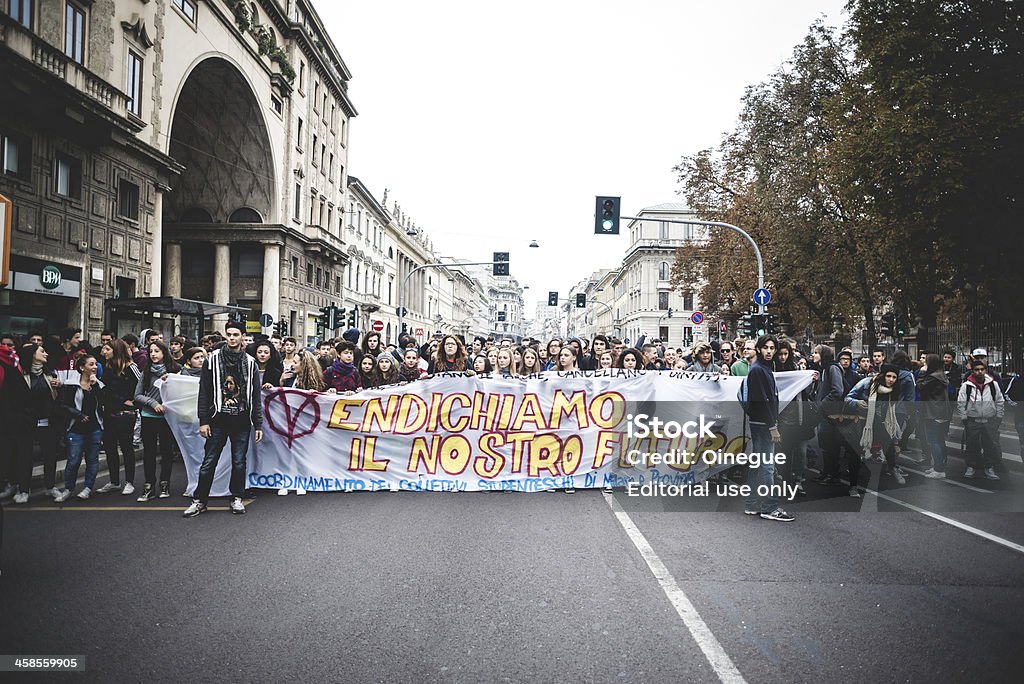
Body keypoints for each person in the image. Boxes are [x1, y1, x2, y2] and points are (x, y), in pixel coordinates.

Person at [185, 321, 264, 517]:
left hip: (242, 420)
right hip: (217, 420)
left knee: (239, 462)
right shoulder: (211, 361)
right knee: (209, 461)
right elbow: (204, 391)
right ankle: (200, 500)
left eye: (236, 334)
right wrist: (203, 420)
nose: (232, 338)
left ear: (242, 337)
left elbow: (255, 395)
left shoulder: (251, 363)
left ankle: (236, 498)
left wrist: (258, 422)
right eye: (229, 334)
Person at [741, 335, 793, 521]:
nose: (769, 351)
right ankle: (769, 507)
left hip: (761, 423)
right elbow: (761, 401)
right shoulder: (758, 370)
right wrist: (772, 426)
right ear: (758, 349)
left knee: (757, 465)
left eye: (772, 348)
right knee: (767, 467)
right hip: (763, 424)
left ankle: (752, 504)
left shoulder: (763, 368)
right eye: (766, 348)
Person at [53, 355, 108, 502]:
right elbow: (62, 405)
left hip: (95, 427)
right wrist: (78, 415)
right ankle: (68, 489)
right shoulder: (71, 384)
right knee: (73, 460)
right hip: (76, 428)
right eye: (91, 364)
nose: (95, 367)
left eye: (96, 364)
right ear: (82, 367)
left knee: (92, 459)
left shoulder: (99, 384)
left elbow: (104, 402)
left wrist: (95, 385)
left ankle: (88, 487)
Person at [846, 364, 908, 484]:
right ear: (883, 375)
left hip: (877, 421)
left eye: (894, 377)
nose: (891, 380)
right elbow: (848, 398)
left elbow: (891, 411)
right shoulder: (867, 383)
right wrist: (857, 402)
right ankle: (853, 484)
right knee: (856, 451)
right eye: (888, 376)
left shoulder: (894, 390)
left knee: (888, 445)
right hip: (860, 421)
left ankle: (893, 468)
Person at [134, 340, 180, 501]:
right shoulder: (145, 372)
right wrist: (153, 403)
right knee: (149, 452)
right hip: (149, 416)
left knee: (167, 452)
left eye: (157, 351)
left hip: (167, 418)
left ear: (164, 353)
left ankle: (164, 483)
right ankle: (149, 485)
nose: (153, 354)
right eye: (151, 351)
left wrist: (172, 381)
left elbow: (183, 391)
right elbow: (137, 395)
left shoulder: (175, 370)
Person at [97, 339, 141, 496]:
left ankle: (129, 482)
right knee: (109, 447)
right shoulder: (107, 368)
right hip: (109, 412)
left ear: (116, 350)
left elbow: (140, 387)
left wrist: (131, 401)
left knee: (126, 447)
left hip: (125, 414)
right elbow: (105, 389)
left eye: (107, 349)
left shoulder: (131, 368)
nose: (104, 351)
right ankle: (114, 481)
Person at [956, 358, 1004, 480]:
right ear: (972, 371)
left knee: (989, 445)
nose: (980, 372)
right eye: (977, 370)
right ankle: (971, 466)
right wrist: (964, 418)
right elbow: (961, 403)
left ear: (985, 371)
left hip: (989, 420)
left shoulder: (993, 385)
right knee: (972, 445)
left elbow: (999, 401)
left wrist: (999, 417)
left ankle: (989, 467)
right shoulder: (967, 386)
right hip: (973, 420)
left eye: (982, 369)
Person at [917, 353, 952, 479]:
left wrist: (921, 373)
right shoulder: (941, 375)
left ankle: (939, 469)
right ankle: (939, 466)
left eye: (926, 362)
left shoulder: (932, 377)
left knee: (933, 441)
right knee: (940, 440)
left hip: (933, 413)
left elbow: (920, 386)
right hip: (942, 412)